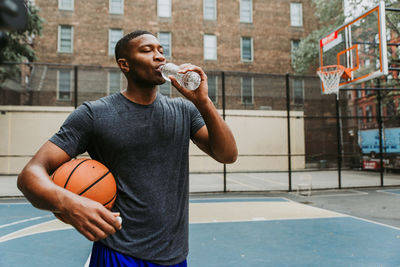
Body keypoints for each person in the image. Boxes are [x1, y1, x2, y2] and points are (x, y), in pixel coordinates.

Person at [17, 30, 237, 266]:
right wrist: (69, 203)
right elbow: (30, 176)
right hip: (119, 253)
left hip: (174, 255)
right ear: (125, 65)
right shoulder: (94, 114)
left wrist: (203, 102)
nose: (159, 57)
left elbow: (227, 154)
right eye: (147, 50)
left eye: (161, 51)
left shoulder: (184, 111)